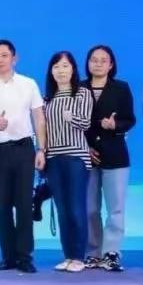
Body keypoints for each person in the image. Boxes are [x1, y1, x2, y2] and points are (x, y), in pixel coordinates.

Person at [0, 39, 46, 274]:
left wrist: (41, 149)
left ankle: (25, 256)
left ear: (14, 58)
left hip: (24, 150)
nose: (0, 60)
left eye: (4, 55)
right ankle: (8, 256)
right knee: (2, 206)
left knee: (24, 205)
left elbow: (39, 118)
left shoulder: (28, 84)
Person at [83, 45, 135, 272]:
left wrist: (115, 125)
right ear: (87, 63)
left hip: (115, 155)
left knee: (116, 209)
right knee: (89, 208)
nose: (98, 64)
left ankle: (111, 253)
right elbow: (73, 124)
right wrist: (84, 147)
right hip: (87, 156)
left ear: (111, 64)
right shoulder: (79, 88)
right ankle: (93, 252)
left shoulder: (121, 88)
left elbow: (130, 119)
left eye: (103, 60)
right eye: (94, 60)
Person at [42, 51, 94, 273]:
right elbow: (43, 130)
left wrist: (71, 117)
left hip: (76, 158)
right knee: (62, 209)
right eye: (56, 67)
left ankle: (79, 257)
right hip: (53, 158)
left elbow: (85, 124)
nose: (61, 71)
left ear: (73, 69)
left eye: (65, 66)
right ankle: (68, 256)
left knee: (76, 208)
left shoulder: (82, 93)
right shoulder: (47, 99)